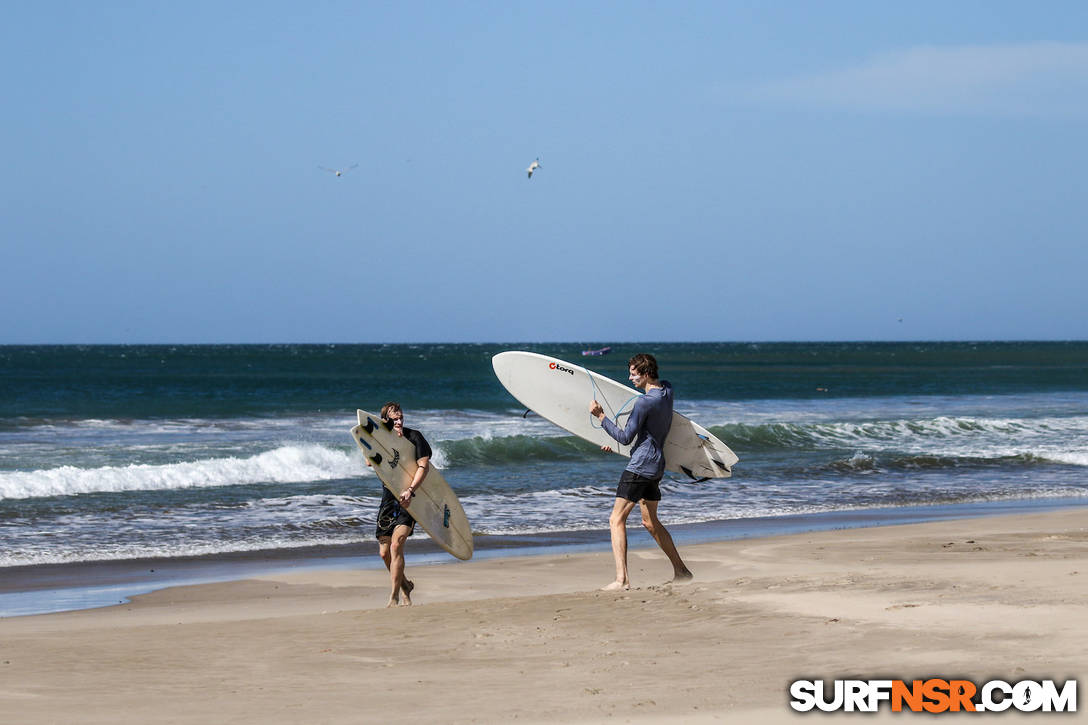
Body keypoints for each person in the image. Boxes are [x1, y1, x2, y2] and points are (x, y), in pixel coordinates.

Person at [589, 353, 693, 591]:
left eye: (634, 374)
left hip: (640, 467)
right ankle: (681, 571)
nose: (630, 378)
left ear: (646, 374)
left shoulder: (644, 402)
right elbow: (647, 434)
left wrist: (601, 416)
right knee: (650, 522)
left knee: (616, 520)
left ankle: (622, 579)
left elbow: (626, 438)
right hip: (656, 466)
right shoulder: (668, 390)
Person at [369, 401, 431, 607]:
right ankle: (405, 584)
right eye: (394, 419)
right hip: (388, 500)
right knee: (384, 553)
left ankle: (395, 596)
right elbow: (369, 461)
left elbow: (424, 467)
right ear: (386, 421)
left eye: (401, 417)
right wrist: (372, 440)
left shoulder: (415, 437)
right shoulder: (383, 442)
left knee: (397, 545)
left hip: (409, 500)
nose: (399, 421)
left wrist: (411, 490)